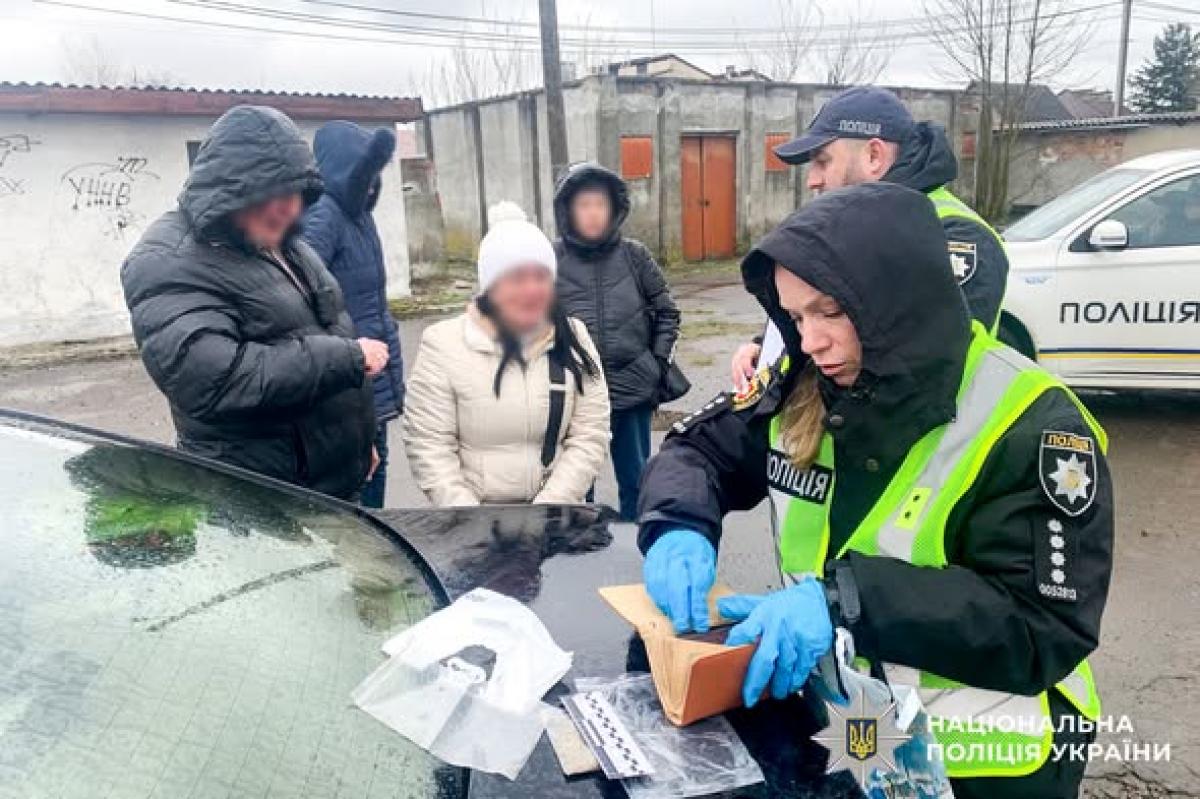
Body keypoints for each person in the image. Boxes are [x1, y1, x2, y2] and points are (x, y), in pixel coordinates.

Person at [638, 183, 1113, 799]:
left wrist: (845, 605)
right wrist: (678, 523)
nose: (810, 341)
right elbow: (700, 448)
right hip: (859, 729)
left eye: (829, 312)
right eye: (796, 316)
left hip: (989, 759)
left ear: (896, 297)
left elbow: (1041, 626)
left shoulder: (1033, 424)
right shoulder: (803, 383)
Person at [122, 105, 382, 502]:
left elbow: (325, 326)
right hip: (263, 504)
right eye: (275, 192)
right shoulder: (166, 260)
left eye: (296, 192)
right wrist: (346, 359)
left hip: (332, 488)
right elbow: (219, 381)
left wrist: (359, 444)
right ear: (232, 187)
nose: (291, 208)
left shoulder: (283, 244)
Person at [731, 85, 1009, 388]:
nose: (812, 180)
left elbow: (928, 363)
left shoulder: (957, 237)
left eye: (823, 161)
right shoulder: (849, 226)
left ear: (874, 156)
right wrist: (771, 347)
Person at [403, 202, 610, 506]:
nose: (531, 289)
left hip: (554, 516)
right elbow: (430, 445)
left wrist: (549, 509)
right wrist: (473, 522)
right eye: (516, 278)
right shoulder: (443, 343)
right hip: (473, 523)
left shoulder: (573, 337)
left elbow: (589, 433)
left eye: (541, 277)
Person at [553, 163, 682, 520]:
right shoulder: (551, 259)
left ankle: (635, 553)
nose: (593, 213)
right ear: (568, 210)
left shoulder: (635, 256)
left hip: (632, 391)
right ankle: (580, 551)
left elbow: (667, 313)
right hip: (574, 394)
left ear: (613, 209)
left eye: (600, 204)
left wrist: (656, 366)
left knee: (637, 481)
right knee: (576, 486)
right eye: (584, 205)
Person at [302, 120, 405, 508]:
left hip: (374, 376)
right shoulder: (324, 215)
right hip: (351, 379)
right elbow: (304, 296)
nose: (373, 183)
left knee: (377, 471)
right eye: (366, 173)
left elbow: (372, 302)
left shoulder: (360, 216)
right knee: (361, 486)